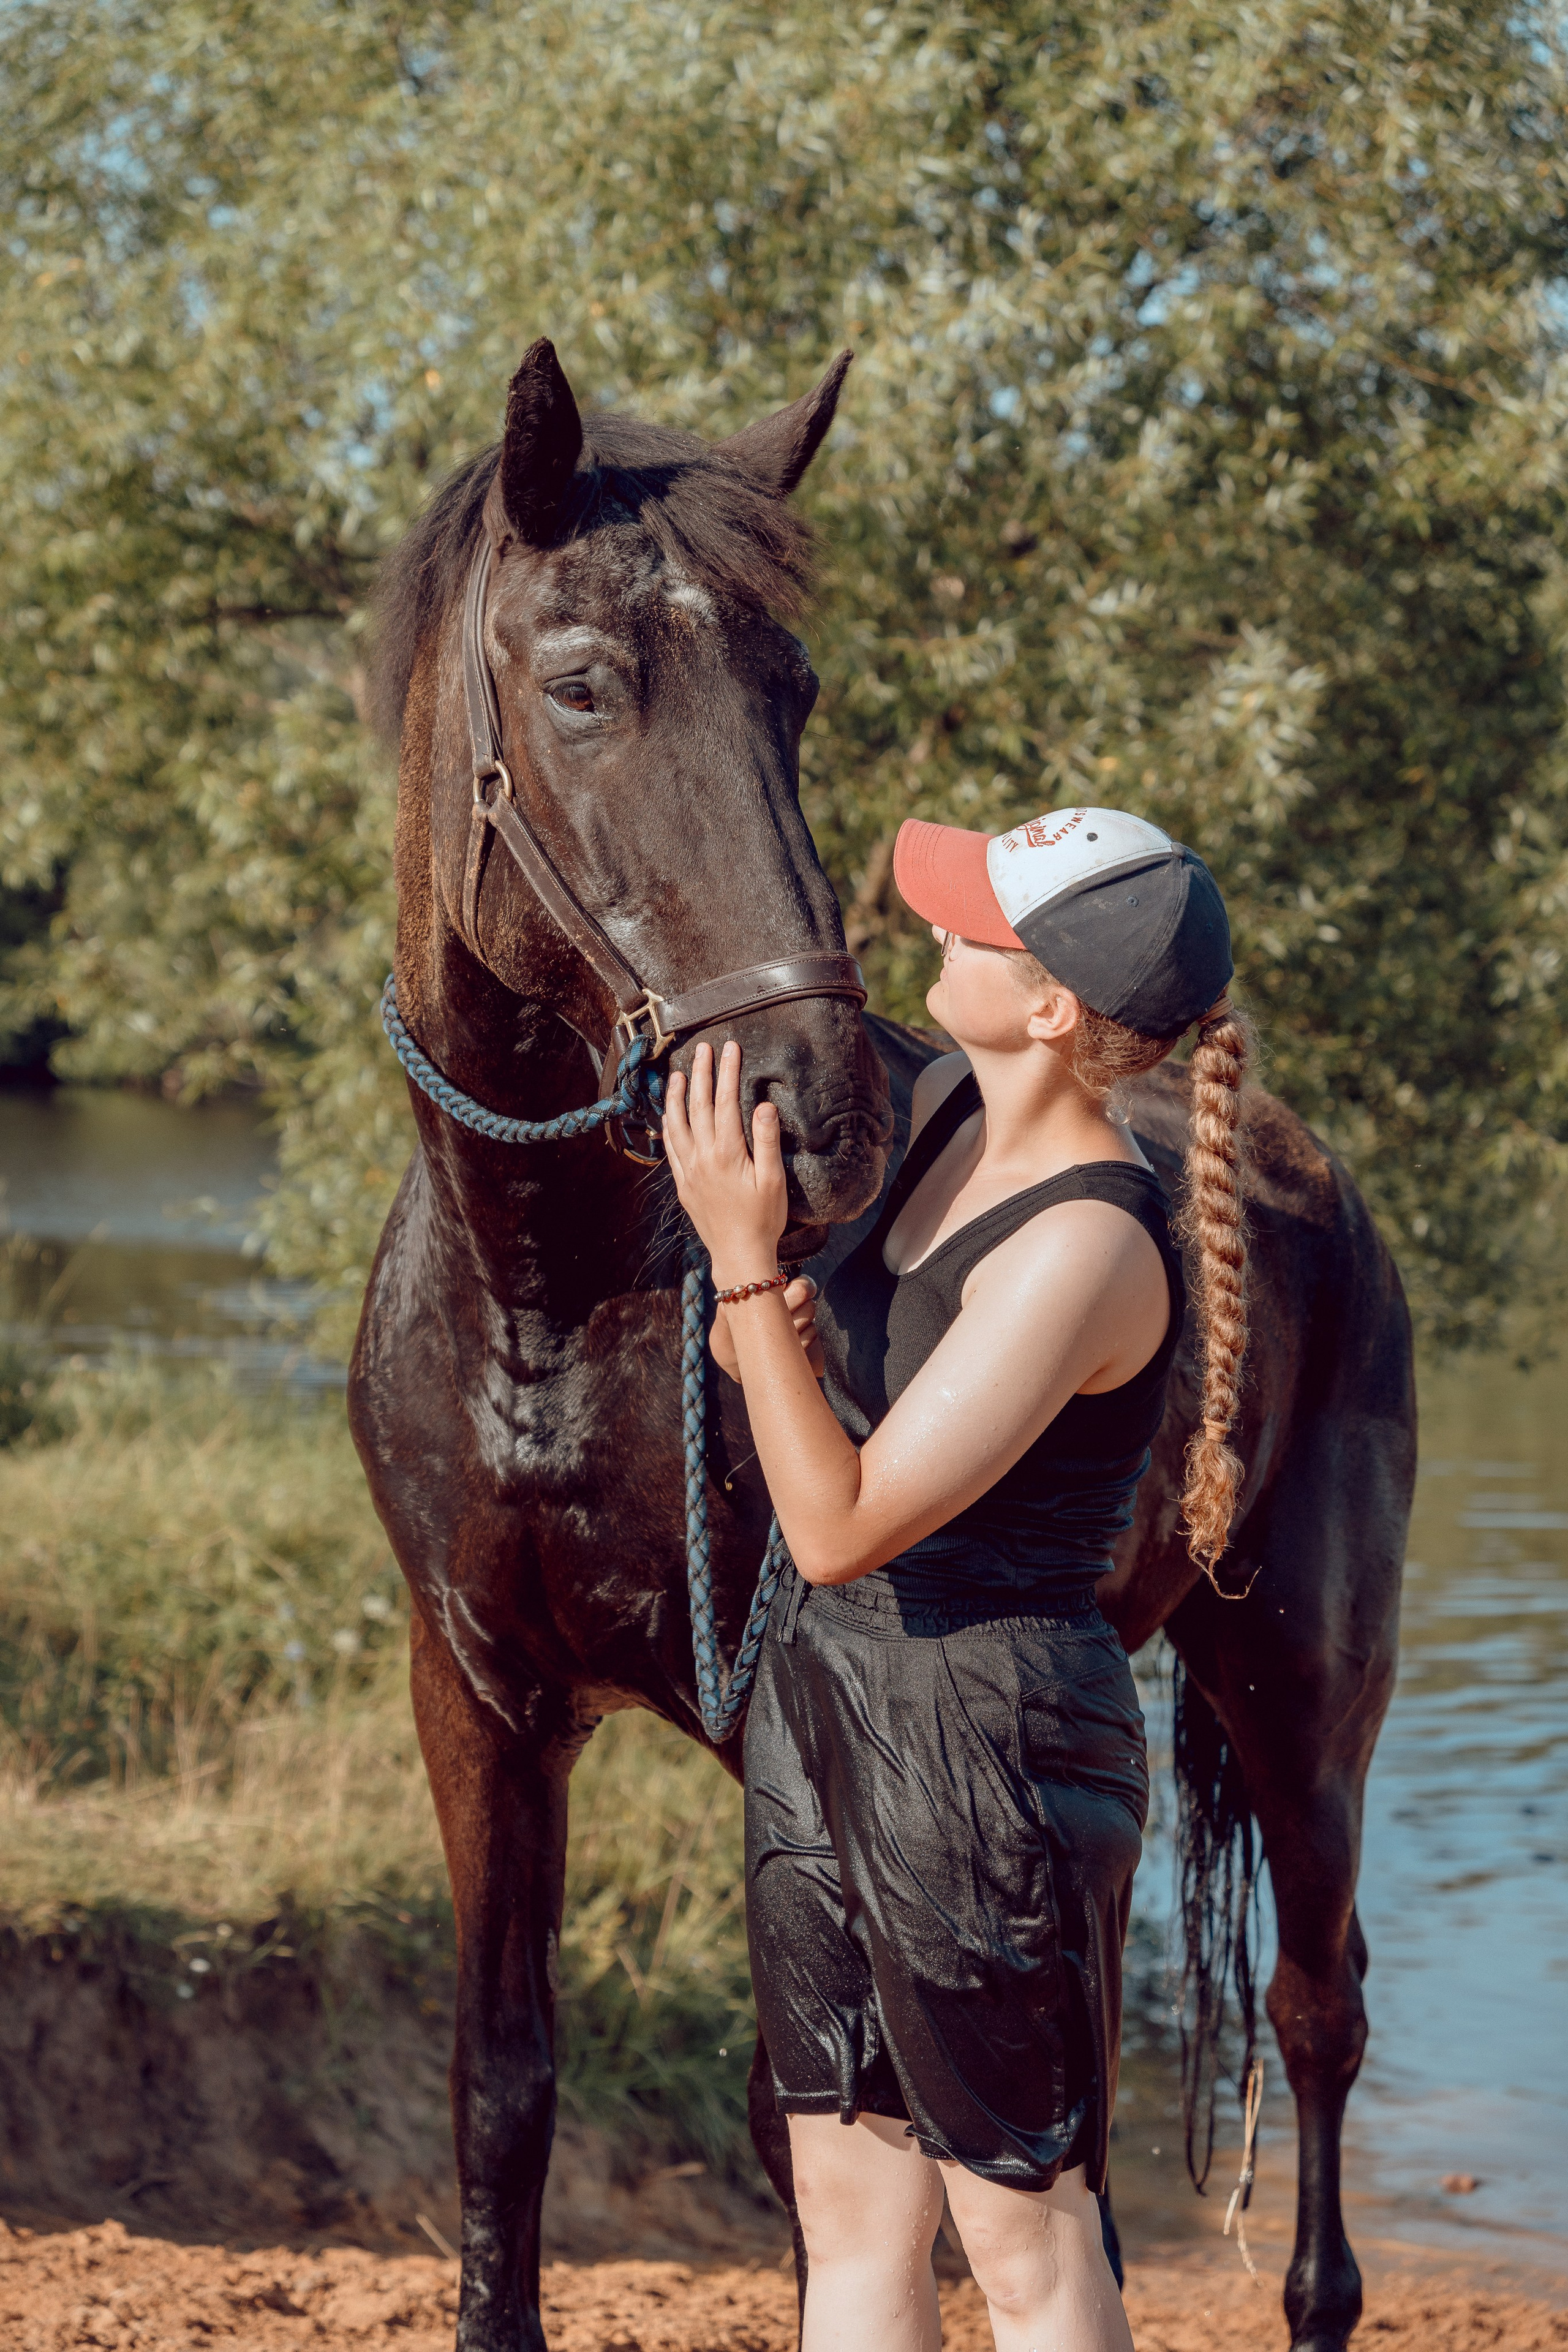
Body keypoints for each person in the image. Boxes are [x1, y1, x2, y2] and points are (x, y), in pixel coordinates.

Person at [663, 805, 1252, 2352]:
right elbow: (786, 1397)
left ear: (1052, 1005)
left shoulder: (1088, 1247)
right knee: (849, 2216)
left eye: (976, 920)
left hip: (983, 1731)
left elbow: (842, 1520)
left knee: (1023, 2234)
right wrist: (760, 1328)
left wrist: (737, 1251)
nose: (931, 922)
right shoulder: (932, 1118)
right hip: (826, 1692)